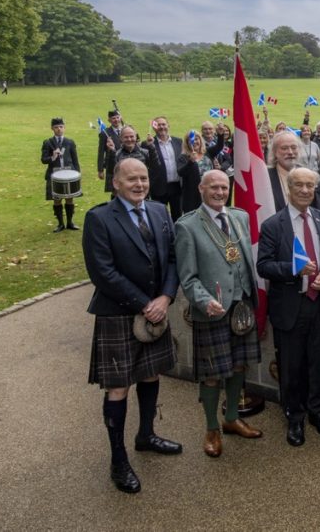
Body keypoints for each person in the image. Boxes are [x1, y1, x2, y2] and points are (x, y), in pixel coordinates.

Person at [81, 158, 182, 494]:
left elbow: (171, 259)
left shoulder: (158, 211)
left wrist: (166, 297)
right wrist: (145, 304)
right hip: (119, 313)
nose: (139, 184)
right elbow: (103, 273)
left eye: (143, 178)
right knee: (119, 387)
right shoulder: (98, 218)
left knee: (151, 374)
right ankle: (118, 459)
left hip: (157, 308)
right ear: (116, 182)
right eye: (131, 179)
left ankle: (146, 435)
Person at [174, 170, 263, 458]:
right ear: (201, 188)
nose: (219, 192)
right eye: (213, 187)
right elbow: (187, 278)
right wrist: (203, 301)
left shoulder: (239, 217)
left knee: (239, 366)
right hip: (213, 310)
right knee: (212, 374)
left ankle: (232, 417)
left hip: (241, 307)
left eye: (224, 187)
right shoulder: (187, 226)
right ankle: (212, 428)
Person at [257, 168, 320, 447]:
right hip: (291, 306)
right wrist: (293, 269)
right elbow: (264, 266)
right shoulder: (273, 225)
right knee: (292, 367)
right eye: (299, 186)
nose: (306, 190)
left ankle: (317, 411)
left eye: (310, 186)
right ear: (289, 189)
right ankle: (294, 417)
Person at [41, 117, 81, 232]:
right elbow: (43, 160)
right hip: (55, 175)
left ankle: (70, 222)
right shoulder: (48, 142)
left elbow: (75, 159)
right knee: (57, 199)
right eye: (56, 127)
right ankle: (60, 224)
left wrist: (78, 174)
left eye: (61, 127)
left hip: (69, 173)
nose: (59, 129)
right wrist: (52, 157)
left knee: (69, 198)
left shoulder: (70, 142)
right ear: (52, 129)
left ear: (64, 128)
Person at [147, 116, 185, 221]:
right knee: (159, 218)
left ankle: (177, 237)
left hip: (177, 187)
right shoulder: (148, 144)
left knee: (178, 217)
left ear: (168, 125)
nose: (161, 127)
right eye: (158, 125)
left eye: (163, 124)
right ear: (154, 127)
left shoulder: (178, 142)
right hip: (159, 187)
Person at [178, 130, 214, 213]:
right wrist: (190, 162)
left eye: (197, 139)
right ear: (187, 143)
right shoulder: (183, 157)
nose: (194, 142)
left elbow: (219, 147)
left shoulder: (206, 153)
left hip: (208, 192)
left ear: (201, 140)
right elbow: (180, 172)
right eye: (191, 140)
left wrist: (220, 134)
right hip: (193, 195)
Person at [267, 131, 301, 213]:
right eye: (284, 148)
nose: (290, 152)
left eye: (294, 147)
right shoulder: (265, 177)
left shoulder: (308, 175)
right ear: (274, 152)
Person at [96, 109, 124, 193]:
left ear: (120, 118)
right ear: (109, 120)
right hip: (112, 165)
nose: (116, 120)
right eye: (113, 118)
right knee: (115, 190)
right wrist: (100, 170)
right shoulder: (105, 133)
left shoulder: (126, 130)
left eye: (117, 117)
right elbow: (101, 152)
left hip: (126, 162)